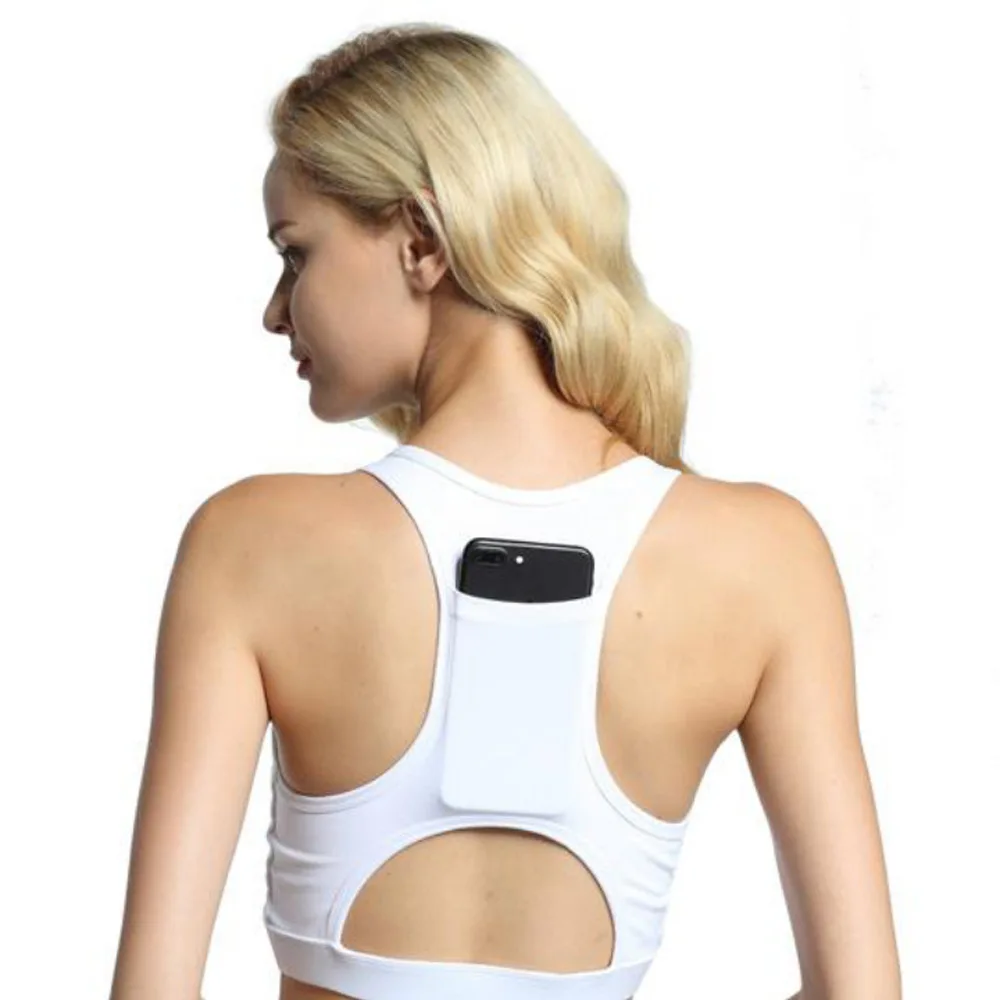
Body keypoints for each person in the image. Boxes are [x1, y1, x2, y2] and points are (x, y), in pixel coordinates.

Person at [109, 21, 902, 1000]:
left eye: (294, 253)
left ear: (421, 242)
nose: (277, 310)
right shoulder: (764, 557)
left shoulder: (251, 544)